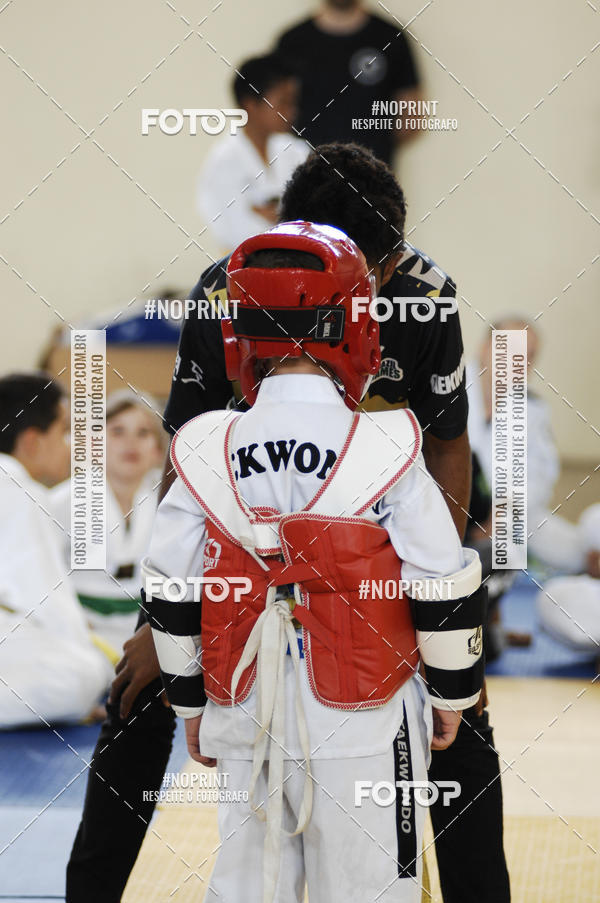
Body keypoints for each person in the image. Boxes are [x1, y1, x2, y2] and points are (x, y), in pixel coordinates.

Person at [67, 144, 510, 903]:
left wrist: (442, 620)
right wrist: (161, 622)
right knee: (138, 691)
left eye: (382, 269)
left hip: (373, 555)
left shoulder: (424, 296)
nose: (375, 285)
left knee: (462, 716)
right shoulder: (228, 295)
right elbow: (189, 455)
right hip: (250, 549)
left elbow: (446, 447)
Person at [145, 222, 485, 902]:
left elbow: (169, 582)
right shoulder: (388, 445)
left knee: (248, 886)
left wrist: (189, 704)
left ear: (241, 332)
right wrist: (453, 695)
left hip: (242, 705)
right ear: (357, 324)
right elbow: (439, 576)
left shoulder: (205, 448)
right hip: (366, 715)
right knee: (371, 889)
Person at [0, 374, 109, 728]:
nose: (70, 446)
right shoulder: (17, 488)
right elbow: (47, 601)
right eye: (64, 431)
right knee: (84, 674)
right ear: (31, 441)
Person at [49, 390, 164, 660]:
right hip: (78, 631)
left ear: (158, 450)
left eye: (143, 433)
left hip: (149, 631)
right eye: (118, 431)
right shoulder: (63, 501)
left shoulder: (170, 502)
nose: (131, 443)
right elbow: (41, 577)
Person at [275, 0, 421, 165]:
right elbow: (275, 111)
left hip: (371, 174)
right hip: (306, 172)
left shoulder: (391, 37)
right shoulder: (292, 42)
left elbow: (411, 114)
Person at [197, 53, 309, 251]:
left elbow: (316, 216)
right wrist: (287, 219)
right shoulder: (224, 160)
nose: (291, 111)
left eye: (293, 102)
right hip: (247, 263)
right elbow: (232, 230)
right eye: (283, 102)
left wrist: (271, 216)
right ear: (251, 104)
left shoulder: (297, 152)